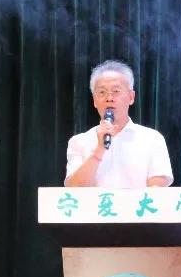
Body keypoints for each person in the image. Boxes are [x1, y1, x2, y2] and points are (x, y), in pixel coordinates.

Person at [64, 60, 173, 188]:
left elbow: (157, 189)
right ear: (94, 101)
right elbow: (73, 189)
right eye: (102, 92)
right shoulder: (78, 142)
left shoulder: (152, 139)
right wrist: (99, 149)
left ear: (131, 97)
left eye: (116, 91)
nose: (109, 98)